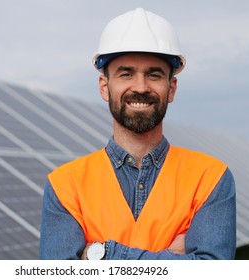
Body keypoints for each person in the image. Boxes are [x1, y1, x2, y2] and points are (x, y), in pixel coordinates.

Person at [39, 7, 236, 260]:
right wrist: (174, 260)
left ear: (171, 88)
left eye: (154, 75)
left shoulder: (210, 178)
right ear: (104, 87)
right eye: (126, 74)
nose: (141, 87)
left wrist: (102, 255)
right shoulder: (65, 185)